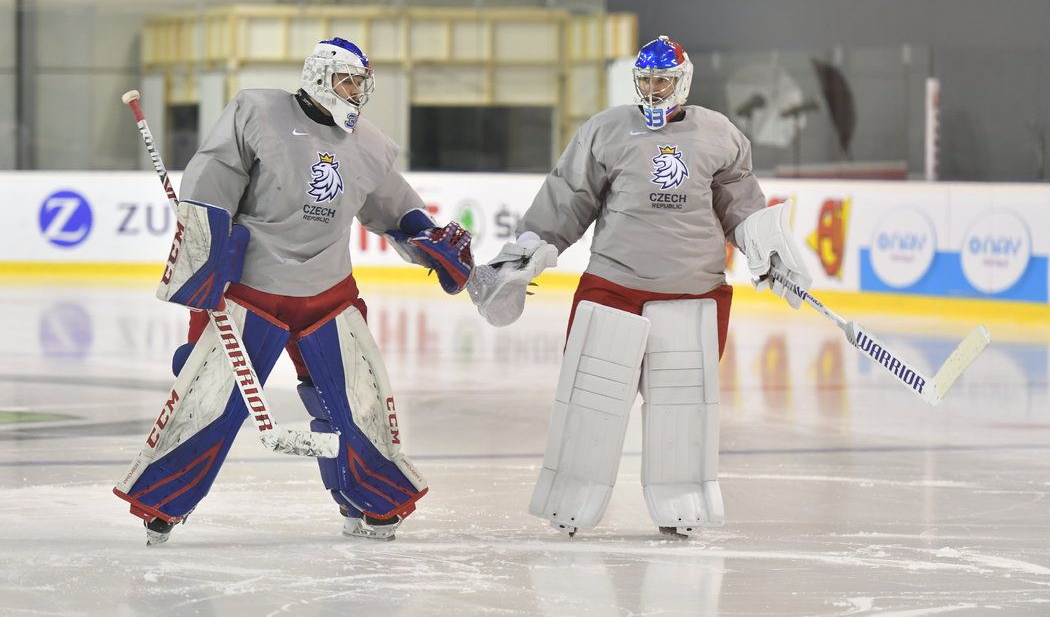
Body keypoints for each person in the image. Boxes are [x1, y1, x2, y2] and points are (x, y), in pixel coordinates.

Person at [114, 37, 474, 545]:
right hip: (251, 290)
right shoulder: (257, 111)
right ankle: (163, 502)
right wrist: (201, 300)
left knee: (358, 402)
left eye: (360, 83)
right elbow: (210, 186)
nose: (355, 91)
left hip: (329, 292)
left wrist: (423, 235)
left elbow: (394, 205)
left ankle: (372, 500)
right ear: (319, 76)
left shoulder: (369, 143)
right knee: (210, 395)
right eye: (347, 80)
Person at [471, 35, 811, 537]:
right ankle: (572, 497)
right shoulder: (605, 131)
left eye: (663, 81)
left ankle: (682, 502)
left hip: (695, 292)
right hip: (615, 286)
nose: (654, 91)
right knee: (590, 400)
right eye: (646, 81)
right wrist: (534, 246)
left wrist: (769, 250)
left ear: (683, 82)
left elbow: (741, 206)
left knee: (684, 407)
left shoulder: (720, 135)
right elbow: (568, 196)